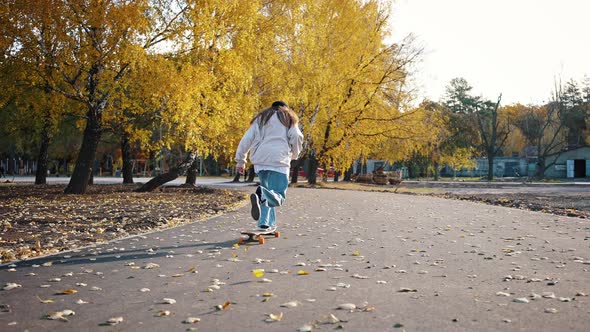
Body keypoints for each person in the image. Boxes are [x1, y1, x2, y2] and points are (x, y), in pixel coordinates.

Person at [235, 101, 303, 231]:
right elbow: (296, 136)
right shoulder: (288, 118)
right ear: (285, 108)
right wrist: (294, 154)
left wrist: (241, 160)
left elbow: (246, 139)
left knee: (268, 193)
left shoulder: (261, 119)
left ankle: (265, 224)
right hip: (279, 161)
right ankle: (262, 195)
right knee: (278, 196)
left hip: (261, 162)